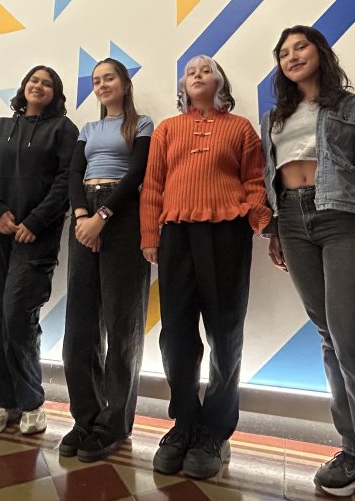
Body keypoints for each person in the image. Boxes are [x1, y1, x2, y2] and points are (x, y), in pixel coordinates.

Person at [260, 25, 355, 501]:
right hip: (292, 221)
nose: (292, 56)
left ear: (320, 52)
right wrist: (275, 229)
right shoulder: (274, 116)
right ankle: (354, 451)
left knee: (353, 340)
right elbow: (271, 176)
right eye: (283, 53)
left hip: (343, 217)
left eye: (300, 47)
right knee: (329, 337)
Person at [140, 55, 270, 479]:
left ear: (220, 82)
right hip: (176, 235)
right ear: (183, 86)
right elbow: (153, 186)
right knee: (176, 335)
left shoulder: (242, 129)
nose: (197, 75)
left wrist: (258, 221)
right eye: (190, 72)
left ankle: (215, 431)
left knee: (225, 334)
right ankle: (184, 423)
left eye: (206, 70)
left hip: (227, 234)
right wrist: (150, 235)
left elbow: (255, 181)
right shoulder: (166, 129)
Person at [0, 65, 78, 437]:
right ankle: (1, 402)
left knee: (18, 314)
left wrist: (35, 221)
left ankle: (31, 402)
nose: (39, 86)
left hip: (37, 237)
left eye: (47, 83)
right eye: (34, 80)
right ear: (24, 87)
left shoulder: (63, 130)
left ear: (55, 94)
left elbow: (66, 181)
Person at [61, 58, 153, 462]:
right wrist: (84, 216)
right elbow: (74, 175)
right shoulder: (88, 129)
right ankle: (86, 418)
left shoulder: (142, 124)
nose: (102, 84)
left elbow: (137, 174)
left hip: (123, 216)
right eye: (96, 80)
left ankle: (115, 424)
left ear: (125, 83)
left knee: (122, 322)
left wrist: (103, 216)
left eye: (109, 77)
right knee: (80, 327)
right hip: (85, 218)